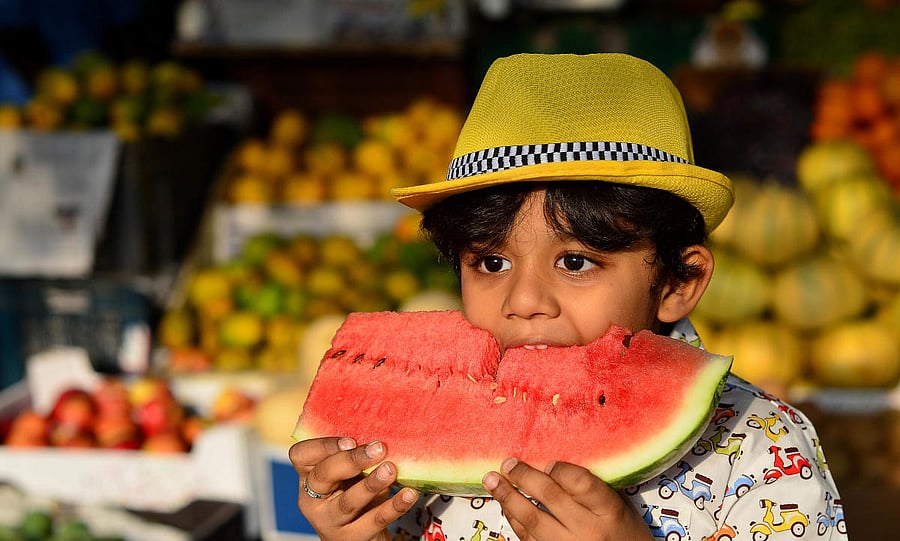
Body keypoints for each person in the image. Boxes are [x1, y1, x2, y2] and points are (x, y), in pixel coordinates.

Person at [289, 53, 847, 541]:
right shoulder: (404, 451)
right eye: (491, 262)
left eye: (576, 262)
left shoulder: (762, 448)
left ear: (679, 282)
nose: (525, 299)